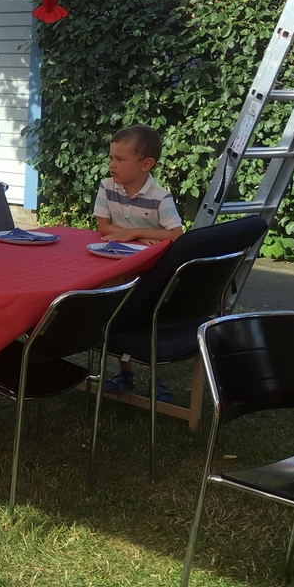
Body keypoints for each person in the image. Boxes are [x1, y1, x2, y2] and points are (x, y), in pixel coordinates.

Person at [94, 124, 183, 402]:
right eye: (111, 158)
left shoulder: (160, 196)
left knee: (148, 319)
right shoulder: (107, 187)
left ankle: (157, 379)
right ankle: (125, 373)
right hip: (119, 266)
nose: (112, 165)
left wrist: (133, 233)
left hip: (153, 270)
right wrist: (136, 236)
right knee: (119, 314)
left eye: (120, 159)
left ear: (146, 164)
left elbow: (176, 234)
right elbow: (104, 227)